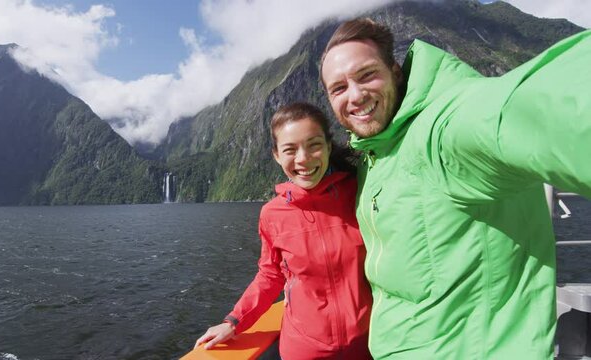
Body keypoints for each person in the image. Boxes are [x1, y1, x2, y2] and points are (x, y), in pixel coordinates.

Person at [319, 18, 591, 359]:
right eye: (339, 88)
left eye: (367, 75)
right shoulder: (375, 154)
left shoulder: (445, 131)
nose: (355, 95)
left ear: (395, 71)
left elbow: (535, 110)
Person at [194, 102, 373, 359]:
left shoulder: (361, 194)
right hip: (303, 350)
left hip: (369, 346)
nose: (303, 159)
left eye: (314, 145)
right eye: (290, 150)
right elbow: (270, 275)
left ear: (328, 146)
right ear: (277, 155)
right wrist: (234, 321)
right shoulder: (272, 214)